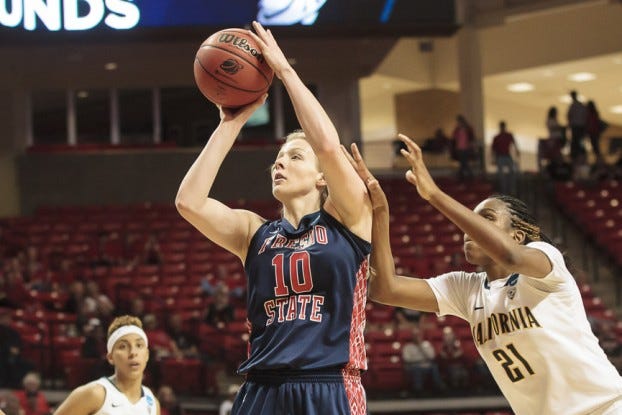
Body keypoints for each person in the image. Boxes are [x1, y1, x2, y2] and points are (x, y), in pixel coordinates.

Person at [342, 135, 622, 415]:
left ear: (518, 234)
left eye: (485, 219)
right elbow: (386, 290)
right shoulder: (467, 288)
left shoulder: (545, 260)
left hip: (604, 408)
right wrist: (379, 213)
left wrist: (434, 195)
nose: (470, 229)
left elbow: (510, 256)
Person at [175, 21, 372, 415]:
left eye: (295, 156)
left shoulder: (350, 219)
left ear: (321, 177)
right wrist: (229, 125)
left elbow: (329, 147)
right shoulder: (255, 232)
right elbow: (189, 202)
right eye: (278, 159)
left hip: (328, 385)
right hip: (261, 388)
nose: (281, 162)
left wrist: (283, 71)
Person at [53, 315, 161, 415]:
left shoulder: (152, 403)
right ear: (110, 357)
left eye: (139, 345)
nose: (133, 352)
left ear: (146, 355)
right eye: (123, 346)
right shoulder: (95, 393)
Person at [401, 326, 445, 395]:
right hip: (414, 366)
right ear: (412, 336)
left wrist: (420, 347)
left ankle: (439, 388)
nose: (416, 337)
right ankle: (418, 390)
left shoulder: (426, 344)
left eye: (418, 335)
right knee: (417, 369)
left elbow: (431, 357)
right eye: (415, 335)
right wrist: (420, 361)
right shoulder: (408, 347)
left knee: (434, 367)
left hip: (427, 365)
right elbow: (407, 359)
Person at [491, 121, 520, 195]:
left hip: (507, 156)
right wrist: (493, 159)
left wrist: (517, 150)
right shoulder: (497, 137)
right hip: (500, 157)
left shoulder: (508, 135)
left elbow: (514, 143)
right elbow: (493, 149)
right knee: (501, 175)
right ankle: (504, 191)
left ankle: (512, 190)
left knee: (512, 171)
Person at [450, 115, 475, 181]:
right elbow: (454, 137)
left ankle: (463, 176)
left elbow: (471, 138)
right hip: (459, 148)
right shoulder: (457, 129)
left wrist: (471, 146)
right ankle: (464, 175)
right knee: (463, 162)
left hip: (466, 148)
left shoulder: (468, 129)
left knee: (464, 162)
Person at [566, 90, 587, 163]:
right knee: (578, 141)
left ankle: (578, 154)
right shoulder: (580, 105)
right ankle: (578, 154)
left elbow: (569, 116)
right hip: (579, 126)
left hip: (577, 126)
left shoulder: (574, 105)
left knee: (577, 141)